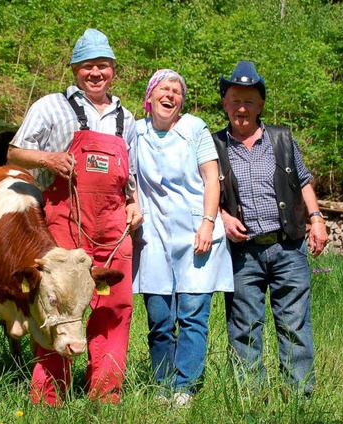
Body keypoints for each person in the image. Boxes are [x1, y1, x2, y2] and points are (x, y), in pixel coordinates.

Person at [7, 28, 143, 406]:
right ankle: (50, 397)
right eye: (87, 67)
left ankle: (105, 394)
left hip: (114, 227)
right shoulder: (50, 106)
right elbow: (15, 153)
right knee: (57, 306)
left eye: (102, 66)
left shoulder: (126, 119)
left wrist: (134, 202)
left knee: (115, 308)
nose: (95, 73)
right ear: (74, 69)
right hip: (64, 225)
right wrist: (48, 159)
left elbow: (128, 178)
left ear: (113, 70)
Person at [213, 61, 328, 398]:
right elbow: (203, 191)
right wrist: (220, 215)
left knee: (294, 326)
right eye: (234, 100)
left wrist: (317, 218)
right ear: (225, 104)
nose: (241, 108)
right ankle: (250, 400)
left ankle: (299, 401)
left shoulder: (282, 138)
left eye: (249, 100)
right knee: (244, 329)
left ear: (260, 105)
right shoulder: (214, 145)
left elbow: (303, 181)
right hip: (242, 253)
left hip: (288, 248)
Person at [132, 69, 234, 408]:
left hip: (195, 232)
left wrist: (208, 223)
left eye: (177, 91)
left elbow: (212, 179)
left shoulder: (194, 128)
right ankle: (162, 384)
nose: (171, 94)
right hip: (154, 236)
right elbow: (127, 178)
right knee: (160, 317)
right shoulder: (136, 132)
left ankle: (184, 387)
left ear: (181, 102)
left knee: (192, 314)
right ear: (150, 97)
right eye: (164, 88)